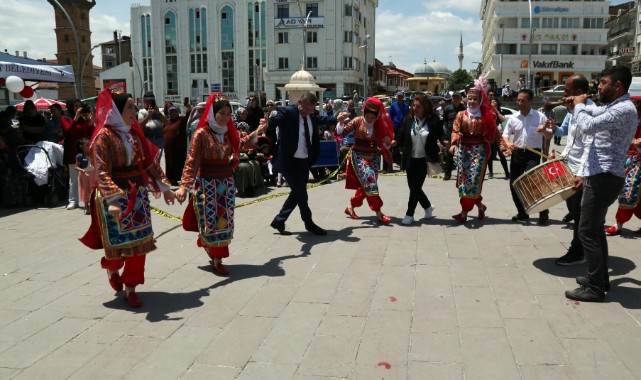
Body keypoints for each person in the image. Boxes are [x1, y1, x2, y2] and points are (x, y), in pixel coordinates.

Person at [79, 90, 175, 308]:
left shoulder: (134, 133)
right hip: (113, 196)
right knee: (116, 244)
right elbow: (102, 171)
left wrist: (165, 188)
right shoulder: (103, 137)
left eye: (134, 106)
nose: (135, 110)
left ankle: (130, 287)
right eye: (130, 107)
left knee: (140, 244)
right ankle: (112, 267)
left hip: (138, 195)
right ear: (117, 110)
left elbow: (149, 163)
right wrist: (112, 199)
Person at [565, 66, 638, 302]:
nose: (599, 86)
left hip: (604, 177)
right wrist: (579, 104)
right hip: (599, 174)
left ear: (618, 86)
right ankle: (599, 278)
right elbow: (593, 116)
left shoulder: (624, 109)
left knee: (586, 231)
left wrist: (578, 105)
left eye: (603, 82)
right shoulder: (613, 106)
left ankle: (595, 287)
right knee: (595, 230)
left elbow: (587, 125)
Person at [175, 93, 266, 276]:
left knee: (224, 222)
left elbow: (241, 143)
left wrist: (259, 130)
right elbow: (191, 161)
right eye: (221, 113)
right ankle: (213, 252)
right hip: (207, 185)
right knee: (210, 223)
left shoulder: (228, 133)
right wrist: (184, 186)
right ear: (212, 113)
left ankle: (218, 258)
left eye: (227, 114)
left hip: (226, 184)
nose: (225, 117)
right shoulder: (201, 134)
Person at [263, 92, 340, 235]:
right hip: (289, 161)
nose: (308, 113)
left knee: (297, 193)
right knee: (302, 194)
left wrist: (336, 118)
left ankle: (279, 220)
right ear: (299, 103)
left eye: (311, 110)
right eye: (305, 109)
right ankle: (309, 224)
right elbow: (276, 121)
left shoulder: (311, 115)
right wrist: (268, 123)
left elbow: (322, 119)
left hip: (304, 160)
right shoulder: (287, 112)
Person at [550, 74, 593, 266]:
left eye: (566, 92)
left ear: (578, 93)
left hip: (582, 172)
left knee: (580, 214)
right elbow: (567, 136)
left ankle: (579, 251)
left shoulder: (591, 111)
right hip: (570, 166)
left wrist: (582, 174)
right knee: (574, 211)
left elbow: (590, 147)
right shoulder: (572, 111)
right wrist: (551, 129)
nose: (563, 95)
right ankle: (583, 250)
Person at [449, 79, 502, 223]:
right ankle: (480, 205)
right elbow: (455, 129)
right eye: (469, 98)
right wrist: (454, 143)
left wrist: (505, 145)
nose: (471, 101)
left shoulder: (487, 116)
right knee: (463, 182)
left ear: (480, 100)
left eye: (475, 99)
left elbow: (496, 133)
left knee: (473, 180)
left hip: (480, 150)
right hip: (464, 150)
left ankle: (464, 212)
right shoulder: (461, 114)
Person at [501, 89, 554, 225]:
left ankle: (543, 211)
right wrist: (508, 144)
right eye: (518, 100)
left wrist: (544, 131)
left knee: (535, 183)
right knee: (514, 184)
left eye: (523, 100)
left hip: (533, 154)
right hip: (517, 153)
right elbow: (505, 135)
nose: (519, 103)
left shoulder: (539, 116)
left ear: (530, 102)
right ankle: (522, 213)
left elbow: (549, 136)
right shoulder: (513, 118)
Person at [338, 97, 394, 224]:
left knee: (368, 184)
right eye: (367, 117)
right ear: (364, 113)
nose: (369, 120)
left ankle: (351, 207)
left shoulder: (379, 125)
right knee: (370, 181)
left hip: (374, 157)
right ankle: (378, 212)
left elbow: (385, 141)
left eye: (373, 118)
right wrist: (341, 123)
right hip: (358, 156)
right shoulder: (357, 121)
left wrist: (388, 143)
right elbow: (342, 133)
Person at [396, 93, 442, 225]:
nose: (415, 108)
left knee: (415, 188)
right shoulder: (409, 119)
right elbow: (400, 135)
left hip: (424, 160)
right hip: (410, 159)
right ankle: (428, 207)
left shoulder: (433, 121)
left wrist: (446, 142)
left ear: (425, 108)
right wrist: (394, 142)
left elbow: (441, 135)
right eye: (413, 105)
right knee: (413, 187)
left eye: (418, 106)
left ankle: (409, 214)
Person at [603, 96, 641, 236]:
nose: (634, 105)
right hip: (630, 158)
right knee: (626, 189)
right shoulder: (630, 118)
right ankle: (618, 223)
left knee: (631, 189)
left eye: (637, 103)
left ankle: (618, 223)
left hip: (637, 159)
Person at [62, 99, 94, 210]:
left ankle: (89, 200)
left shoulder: (84, 119)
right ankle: (73, 201)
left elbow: (90, 132)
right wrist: (75, 117)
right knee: (74, 179)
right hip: (73, 151)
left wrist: (90, 121)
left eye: (79, 106)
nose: (78, 108)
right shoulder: (65, 118)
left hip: (85, 152)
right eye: (75, 106)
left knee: (89, 176)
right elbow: (69, 130)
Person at [442, 92, 466, 180]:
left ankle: (462, 174)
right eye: (454, 98)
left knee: (462, 155)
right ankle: (447, 174)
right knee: (449, 155)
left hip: (462, 134)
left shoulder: (464, 109)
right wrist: (445, 136)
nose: (456, 100)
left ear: (460, 99)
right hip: (450, 134)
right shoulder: (447, 109)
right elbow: (444, 122)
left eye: (457, 98)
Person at [163, 105, 188, 185]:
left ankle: (179, 179)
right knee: (169, 162)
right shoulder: (167, 122)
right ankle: (170, 179)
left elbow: (188, 116)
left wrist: (188, 108)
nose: (173, 114)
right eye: (171, 112)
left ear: (177, 112)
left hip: (178, 147)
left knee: (178, 162)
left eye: (175, 112)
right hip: (168, 147)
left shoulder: (181, 120)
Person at [488, 98, 510, 179]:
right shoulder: (487, 111)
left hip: (499, 135)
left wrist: (496, 111)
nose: (493, 103)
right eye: (492, 101)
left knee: (502, 153)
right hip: (490, 135)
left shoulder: (499, 111)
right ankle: (490, 172)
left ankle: (507, 172)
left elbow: (503, 119)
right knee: (490, 155)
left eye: (495, 102)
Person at [387, 92, 409, 172]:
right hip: (395, 128)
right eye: (398, 96)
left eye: (401, 96)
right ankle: (392, 164)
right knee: (394, 146)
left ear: (403, 97)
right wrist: (390, 128)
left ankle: (402, 165)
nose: (400, 98)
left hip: (403, 129)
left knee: (403, 147)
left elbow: (408, 116)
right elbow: (389, 117)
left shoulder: (406, 106)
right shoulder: (393, 105)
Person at [75, 138, 98, 215]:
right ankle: (86, 207)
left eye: (90, 144)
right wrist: (82, 170)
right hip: (84, 175)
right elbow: (76, 167)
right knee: (85, 190)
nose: (89, 146)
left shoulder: (93, 154)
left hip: (93, 174)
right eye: (87, 145)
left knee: (94, 190)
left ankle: (95, 206)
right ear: (81, 147)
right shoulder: (80, 156)